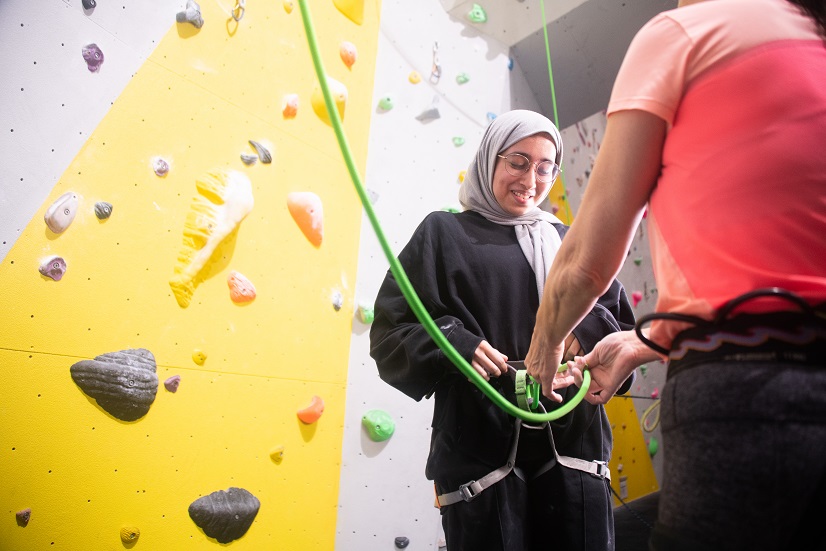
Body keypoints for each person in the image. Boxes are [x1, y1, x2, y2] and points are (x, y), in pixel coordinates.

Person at [525, 1, 826, 549]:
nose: (533, 178)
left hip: (754, 396)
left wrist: (541, 351)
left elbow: (586, 263)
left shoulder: (683, 34)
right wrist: (639, 343)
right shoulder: (810, 38)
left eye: (544, 167)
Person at [369, 109, 636, 551]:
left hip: (575, 443)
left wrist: (583, 332)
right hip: (478, 445)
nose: (531, 179)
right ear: (489, 157)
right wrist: (455, 342)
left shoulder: (571, 242)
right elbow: (391, 333)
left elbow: (619, 329)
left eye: (545, 167)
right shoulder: (443, 234)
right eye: (518, 161)